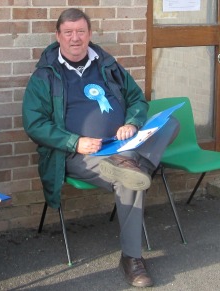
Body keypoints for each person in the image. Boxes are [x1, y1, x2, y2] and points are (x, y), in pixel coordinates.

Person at [22, 8, 180, 288]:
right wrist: (74, 142)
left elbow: (137, 100)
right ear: (57, 36)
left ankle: (130, 161)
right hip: (78, 154)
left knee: (171, 123)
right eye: (68, 32)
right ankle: (132, 258)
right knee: (129, 182)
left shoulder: (108, 65)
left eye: (81, 31)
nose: (75, 38)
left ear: (90, 34)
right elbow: (34, 124)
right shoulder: (44, 77)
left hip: (123, 144)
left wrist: (132, 122)